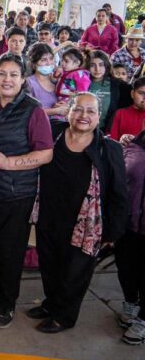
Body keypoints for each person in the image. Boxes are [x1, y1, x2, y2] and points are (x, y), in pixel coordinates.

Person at [0, 53, 53, 328]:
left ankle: (7, 301)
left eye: (13, 74)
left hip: (18, 193)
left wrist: (9, 163)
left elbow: (46, 154)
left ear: (22, 78)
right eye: (2, 73)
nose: (7, 79)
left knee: (10, 250)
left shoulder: (33, 109)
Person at [32, 92, 128, 333]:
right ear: (69, 111)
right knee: (49, 265)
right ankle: (51, 303)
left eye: (90, 111)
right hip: (49, 215)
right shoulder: (53, 134)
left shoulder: (109, 149)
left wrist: (113, 232)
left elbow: (119, 194)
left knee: (74, 273)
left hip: (85, 225)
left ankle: (64, 316)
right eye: (78, 109)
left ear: (99, 116)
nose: (83, 116)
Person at [119, 130, 145, 344]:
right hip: (129, 223)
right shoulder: (133, 146)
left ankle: (143, 319)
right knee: (126, 266)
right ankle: (130, 302)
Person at [87, 50, 132, 133]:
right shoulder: (81, 81)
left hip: (106, 130)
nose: (97, 69)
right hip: (83, 127)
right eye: (92, 65)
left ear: (107, 66)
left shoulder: (118, 85)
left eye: (101, 65)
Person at [110, 76, 145, 142]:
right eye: (141, 93)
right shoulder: (120, 114)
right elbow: (111, 142)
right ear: (132, 94)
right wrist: (121, 142)